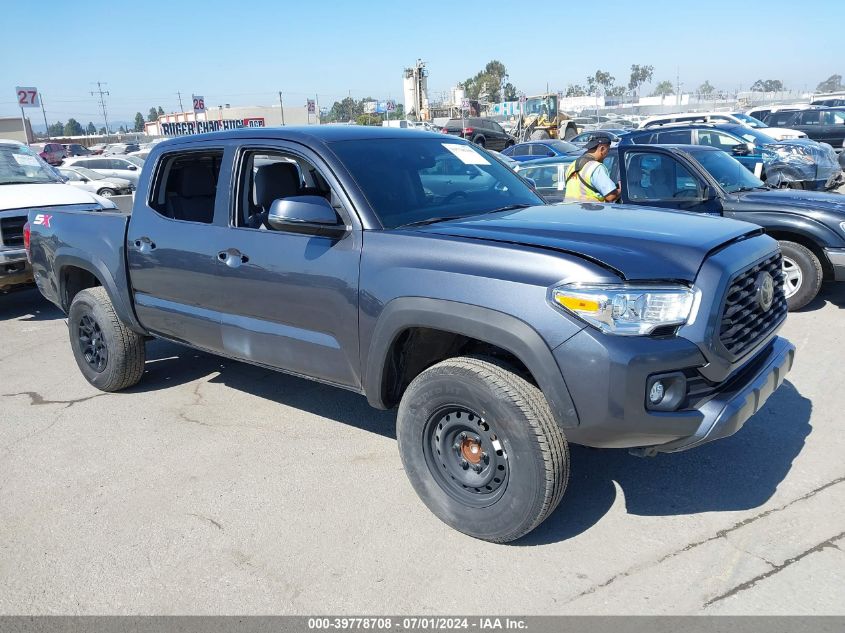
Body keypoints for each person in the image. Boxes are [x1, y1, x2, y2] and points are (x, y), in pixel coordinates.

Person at [564, 132, 621, 202]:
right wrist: (622, 189)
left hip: (569, 210)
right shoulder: (595, 167)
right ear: (602, 149)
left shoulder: (572, 165)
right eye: (608, 150)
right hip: (590, 211)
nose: (607, 155)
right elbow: (610, 196)